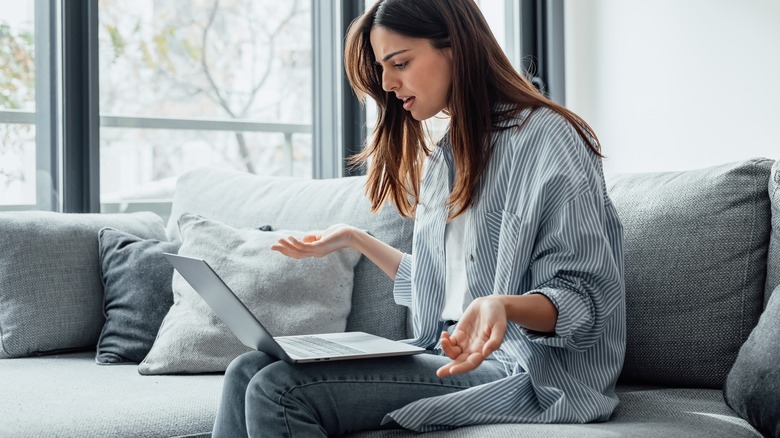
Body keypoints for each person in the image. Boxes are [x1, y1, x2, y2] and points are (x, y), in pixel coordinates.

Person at [212, 0, 625, 436]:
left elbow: (588, 302)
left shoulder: (549, 138)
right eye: (383, 68)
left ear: (455, 47)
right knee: (246, 370)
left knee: (279, 388)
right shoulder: (447, 156)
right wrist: (357, 239)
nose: (388, 83)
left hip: (529, 371)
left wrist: (501, 305)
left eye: (401, 63)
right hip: (444, 353)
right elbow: (443, 284)